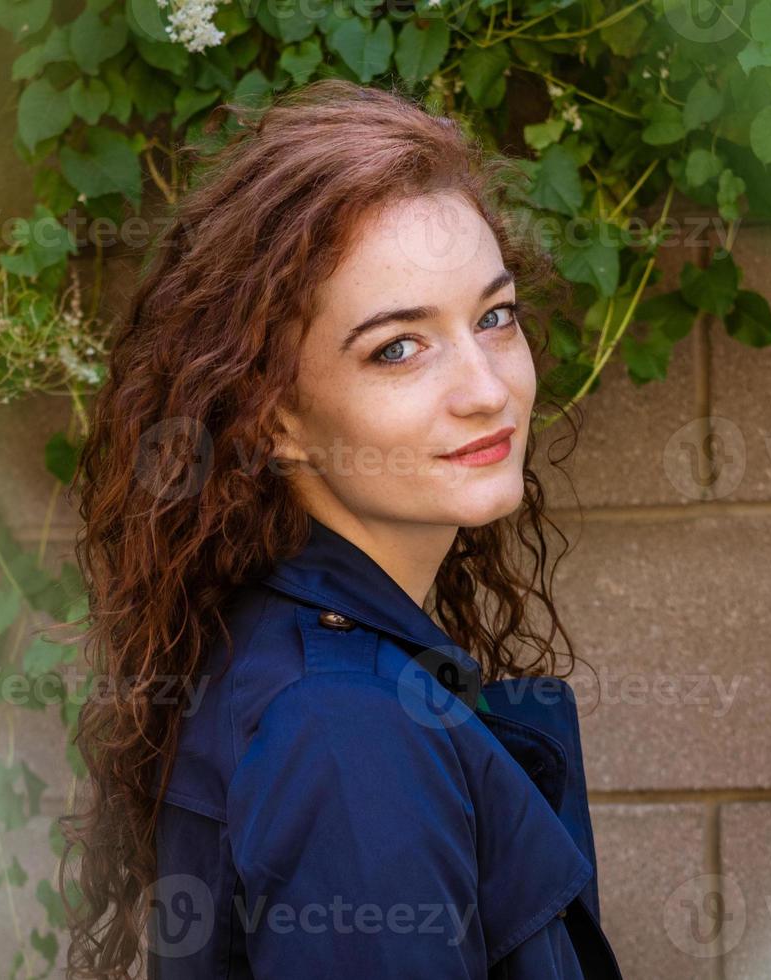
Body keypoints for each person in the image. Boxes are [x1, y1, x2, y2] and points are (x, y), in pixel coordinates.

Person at [61, 79, 623, 980]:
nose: (485, 387)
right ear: (273, 417)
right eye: (397, 347)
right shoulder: (347, 735)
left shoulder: (289, 656)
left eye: (495, 317)